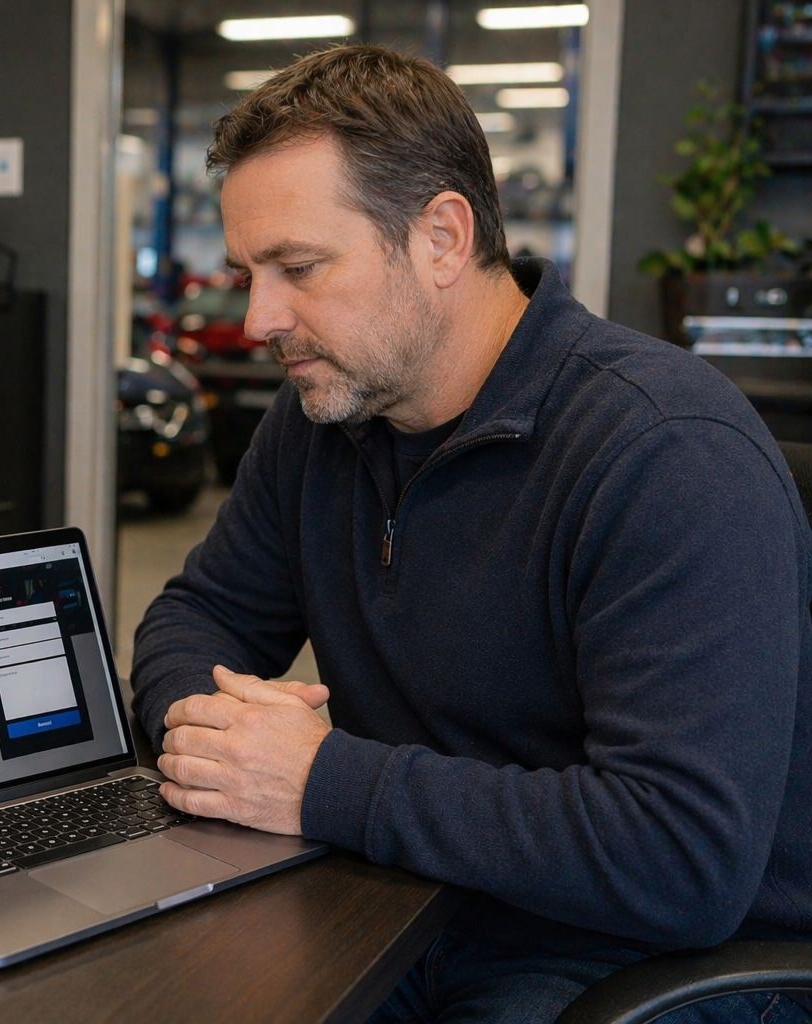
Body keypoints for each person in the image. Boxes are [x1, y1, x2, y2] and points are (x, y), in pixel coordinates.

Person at [130, 46, 812, 1023]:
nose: (258, 317)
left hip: (644, 950)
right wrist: (221, 744)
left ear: (443, 238)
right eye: (248, 272)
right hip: (416, 890)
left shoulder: (666, 453)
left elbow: (680, 855)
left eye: (298, 268)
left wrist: (326, 779)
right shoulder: (321, 418)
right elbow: (199, 613)